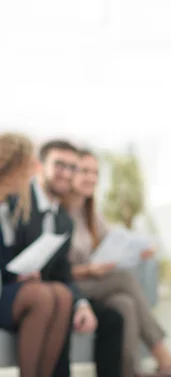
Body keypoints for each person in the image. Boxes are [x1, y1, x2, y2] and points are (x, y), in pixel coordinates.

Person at [65, 148, 171, 376]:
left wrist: (136, 250)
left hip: (96, 285)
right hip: (72, 285)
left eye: (95, 172)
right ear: (69, 173)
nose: (90, 177)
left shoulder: (91, 214)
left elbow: (114, 243)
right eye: (84, 171)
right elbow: (56, 270)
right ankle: (163, 356)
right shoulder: (60, 214)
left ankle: (129, 372)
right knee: (123, 279)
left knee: (125, 304)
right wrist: (89, 269)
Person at [14, 139, 124, 377]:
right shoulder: (17, 201)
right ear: (39, 166)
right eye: (59, 165)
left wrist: (81, 304)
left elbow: (62, 272)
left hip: (50, 292)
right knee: (52, 296)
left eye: (72, 167)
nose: (66, 174)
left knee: (65, 297)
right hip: (13, 289)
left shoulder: (63, 219)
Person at [0, 132, 73, 377]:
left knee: (61, 294)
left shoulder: (8, 206)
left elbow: (6, 253)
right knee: (42, 297)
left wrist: (18, 272)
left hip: (7, 283)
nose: (33, 172)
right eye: (29, 165)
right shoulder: (13, 205)